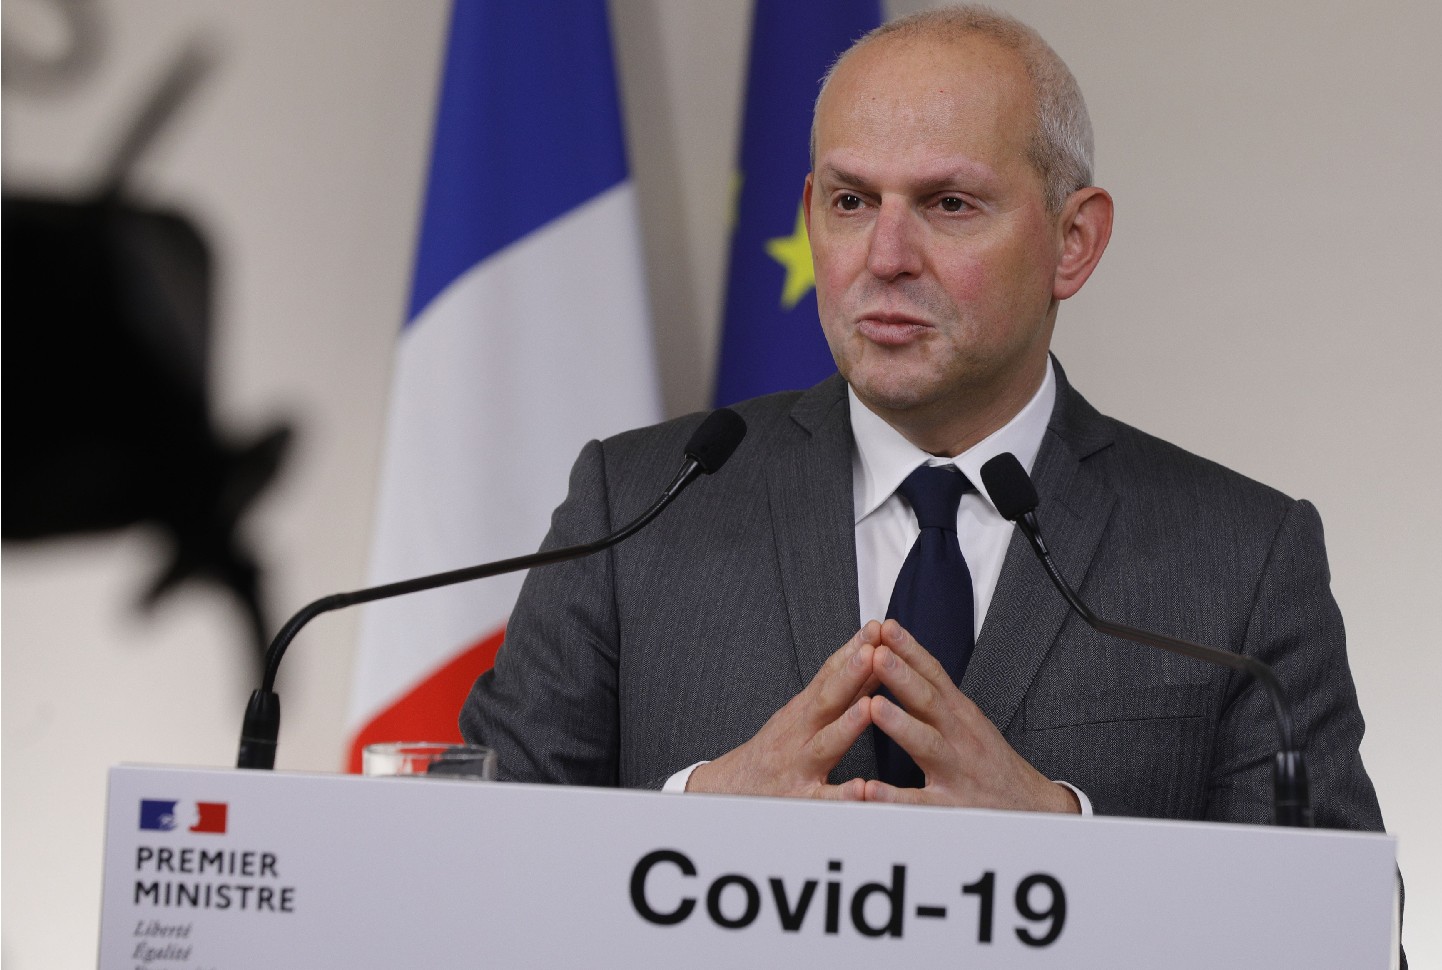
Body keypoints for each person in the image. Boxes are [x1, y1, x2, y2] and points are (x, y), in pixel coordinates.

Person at [461, 6, 1388, 833]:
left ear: (1075, 241)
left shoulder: (1243, 559)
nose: (885, 255)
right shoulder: (636, 511)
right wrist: (698, 819)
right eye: (851, 201)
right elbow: (464, 873)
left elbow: (1337, 940)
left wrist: (1070, 843)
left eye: (949, 204)